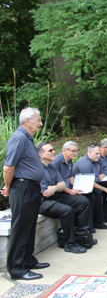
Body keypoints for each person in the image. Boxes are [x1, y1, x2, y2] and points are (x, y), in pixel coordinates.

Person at [2, 107, 48, 280]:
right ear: (27, 121)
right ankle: (16, 268)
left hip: (31, 187)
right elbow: (8, 167)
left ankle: (28, 259)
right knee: (21, 228)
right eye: (38, 120)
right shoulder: (19, 138)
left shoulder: (27, 138)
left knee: (29, 226)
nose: (41, 123)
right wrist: (7, 187)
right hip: (22, 188)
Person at [36, 141, 91, 254]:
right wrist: (56, 188)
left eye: (53, 150)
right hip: (42, 201)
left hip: (56, 195)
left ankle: (81, 235)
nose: (54, 152)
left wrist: (55, 188)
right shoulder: (37, 169)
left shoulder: (51, 166)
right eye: (50, 151)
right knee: (66, 211)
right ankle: (70, 243)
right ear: (41, 155)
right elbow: (46, 192)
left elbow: (62, 185)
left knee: (83, 202)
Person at [51, 141, 107, 230]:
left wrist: (78, 187)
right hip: (60, 191)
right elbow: (54, 183)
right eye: (73, 151)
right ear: (65, 150)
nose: (75, 153)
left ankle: (91, 224)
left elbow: (70, 177)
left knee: (91, 196)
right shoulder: (56, 162)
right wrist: (70, 191)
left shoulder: (69, 160)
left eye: (76, 151)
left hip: (69, 187)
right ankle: (82, 228)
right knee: (84, 201)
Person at [72, 144, 107, 224]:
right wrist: (105, 189)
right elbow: (90, 182)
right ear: (89, 153)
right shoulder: (85, 163)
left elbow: (101, 175)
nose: (99, 156)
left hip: (94, 182)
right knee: (98, 192)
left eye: (99, 153)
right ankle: (98, 221)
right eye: (96, 154)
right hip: (83, 185)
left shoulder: (97, 160)